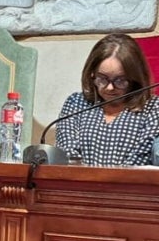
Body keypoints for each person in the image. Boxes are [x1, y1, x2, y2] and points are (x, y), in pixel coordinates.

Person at [55, 33, 159, 167]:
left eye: (120, 80)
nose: (110, 87)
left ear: (135, 78)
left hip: (129, 186)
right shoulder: (76, 103)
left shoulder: (152, 107)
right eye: (102, 79)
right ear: (91, 73)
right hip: (77, 185)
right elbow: (68, 156)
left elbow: (138, 162)